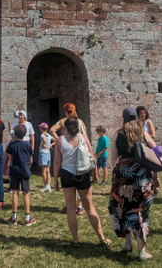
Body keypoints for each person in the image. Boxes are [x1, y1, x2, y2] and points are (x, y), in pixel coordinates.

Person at [54, 117, 112, 248]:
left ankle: (75, 241)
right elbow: (92, 157)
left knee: (70, 207)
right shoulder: (84, 137)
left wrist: (55, 179)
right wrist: (96, 174)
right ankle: (102, 238)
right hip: (83, 174)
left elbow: (57, 161)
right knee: (89, 207)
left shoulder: (59, 140)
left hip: (67, 174)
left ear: (65, 127)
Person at [109, 108, 156, 260]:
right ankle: (142, 251)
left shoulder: (119, 132)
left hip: (122, 174)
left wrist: (117, 173)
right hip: (140, 174)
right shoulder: (142, 131)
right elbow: (154, 147)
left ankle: (128, 243)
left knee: (123, 206)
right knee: (140, 209)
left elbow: (114, 156)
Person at [48, 103, 88, 213]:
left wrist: (58, 140)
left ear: (66, 111)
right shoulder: (80, 122)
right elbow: (86, 136)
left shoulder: (63, 121)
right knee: (80, 176)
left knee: (69, 176)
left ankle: (70, 205)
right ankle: (80, 206)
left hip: (68, 151)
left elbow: (52, 130)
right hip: (80, 152)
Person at [6, 125, 36, 226]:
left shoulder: (11, 145)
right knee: (26, 193)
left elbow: (10, 160)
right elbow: (31, 160)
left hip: (15, 170)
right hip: (25, 170)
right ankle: (27, 217)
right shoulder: (28, 145)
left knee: (15, 192)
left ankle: (14, 217)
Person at [137, 106, 160, 194]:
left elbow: (153, 135)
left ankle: (154, 187)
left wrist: (144, 136)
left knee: (151, 167)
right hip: (140, 146)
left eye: (144, 113)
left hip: (148, 145)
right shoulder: (137, 123)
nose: (143, 115)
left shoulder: (148, 122)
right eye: (141, 113)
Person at [38, 122, 53, 192]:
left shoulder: (42, 135)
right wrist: (50, 145)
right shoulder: (49, 136)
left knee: (43, 170)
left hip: (43, 153)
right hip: (48, 153)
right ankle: (48, 185)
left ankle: (45, 185)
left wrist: (43, 144)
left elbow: (44, 140)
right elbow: (56, 140)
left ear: (41, 129)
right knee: (48, 170)